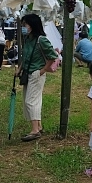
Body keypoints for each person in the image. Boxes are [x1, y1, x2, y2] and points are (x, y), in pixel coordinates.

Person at [18, 14, 60, 142]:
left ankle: (35, 130)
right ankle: (38, 126)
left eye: (25, 24)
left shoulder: (41, 40)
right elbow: (25, 56)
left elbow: (52, 56)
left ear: (32, 25)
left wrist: (43, 70)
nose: (23, 27)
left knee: (31, 101)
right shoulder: (28, 39)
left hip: (36, 73)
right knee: (31, 99)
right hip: (28, 72)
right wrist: (19, 69)